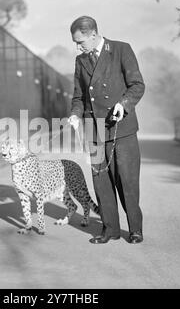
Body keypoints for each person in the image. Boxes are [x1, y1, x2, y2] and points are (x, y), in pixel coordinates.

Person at [68, 16, 145, 244]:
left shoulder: (121, 50)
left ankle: (135, 229)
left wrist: (124, 104)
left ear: (93, 34)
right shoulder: (80, 61)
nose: (78, 46)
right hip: (95, 130)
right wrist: (74, 113)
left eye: (80, 41)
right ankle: (109, 229)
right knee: (101, 183)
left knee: (127, 181)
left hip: (122, 128)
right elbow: (79, 96)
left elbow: (137, 85)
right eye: (75, 42)